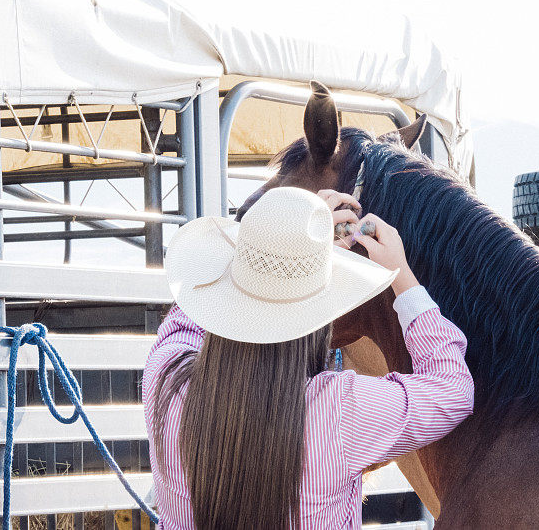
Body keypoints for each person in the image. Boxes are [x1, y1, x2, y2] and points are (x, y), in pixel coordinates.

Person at [142, 186, 474, 529]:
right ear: (321, 313)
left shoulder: (164, 380)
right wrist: (401, 276)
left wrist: (274, 247)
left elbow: (191, 306)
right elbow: (454, 390)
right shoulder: (339, 410)